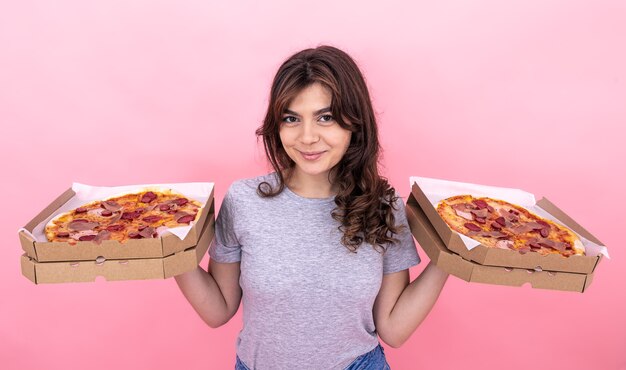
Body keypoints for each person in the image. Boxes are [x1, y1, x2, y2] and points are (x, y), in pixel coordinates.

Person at [174, 45, 449, 370]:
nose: (307, 137)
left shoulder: (382, 204)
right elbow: (218, 310)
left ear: (354, 123)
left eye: (325, 118)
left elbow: (392, 328)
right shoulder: (244, 201)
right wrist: (170, 251)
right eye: (292, 118)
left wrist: (451, 254)